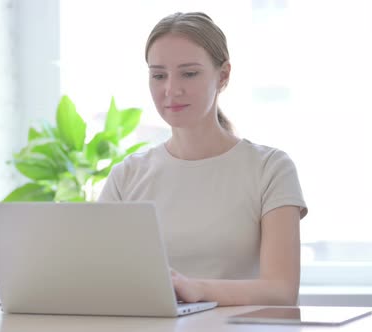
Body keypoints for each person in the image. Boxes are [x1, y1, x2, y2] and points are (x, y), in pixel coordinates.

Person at [98, 12, 308, 306]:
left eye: (189, 73)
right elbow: (98, 278)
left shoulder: (270, 169)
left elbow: (281, 290)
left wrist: (197, 289)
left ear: (223, 76)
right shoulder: (127, 176)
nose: (171, 89)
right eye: (159, 75)